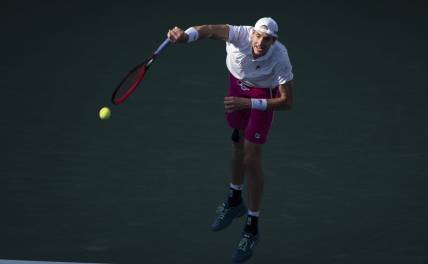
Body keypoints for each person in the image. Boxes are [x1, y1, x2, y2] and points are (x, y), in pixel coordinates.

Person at [167, 17, 294, 263]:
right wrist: (185, 36)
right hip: (236, 90)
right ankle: (235, 200)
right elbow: (209, 30)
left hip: (261, 99)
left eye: (267, 39)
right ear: (252, 33)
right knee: (236, 144)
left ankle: (252, 226)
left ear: (274, 41)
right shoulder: (238, 34)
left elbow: (287, 102)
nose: (260, 42)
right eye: (258, 36)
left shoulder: (280, 57)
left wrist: (249, 103)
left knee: (251, 158)